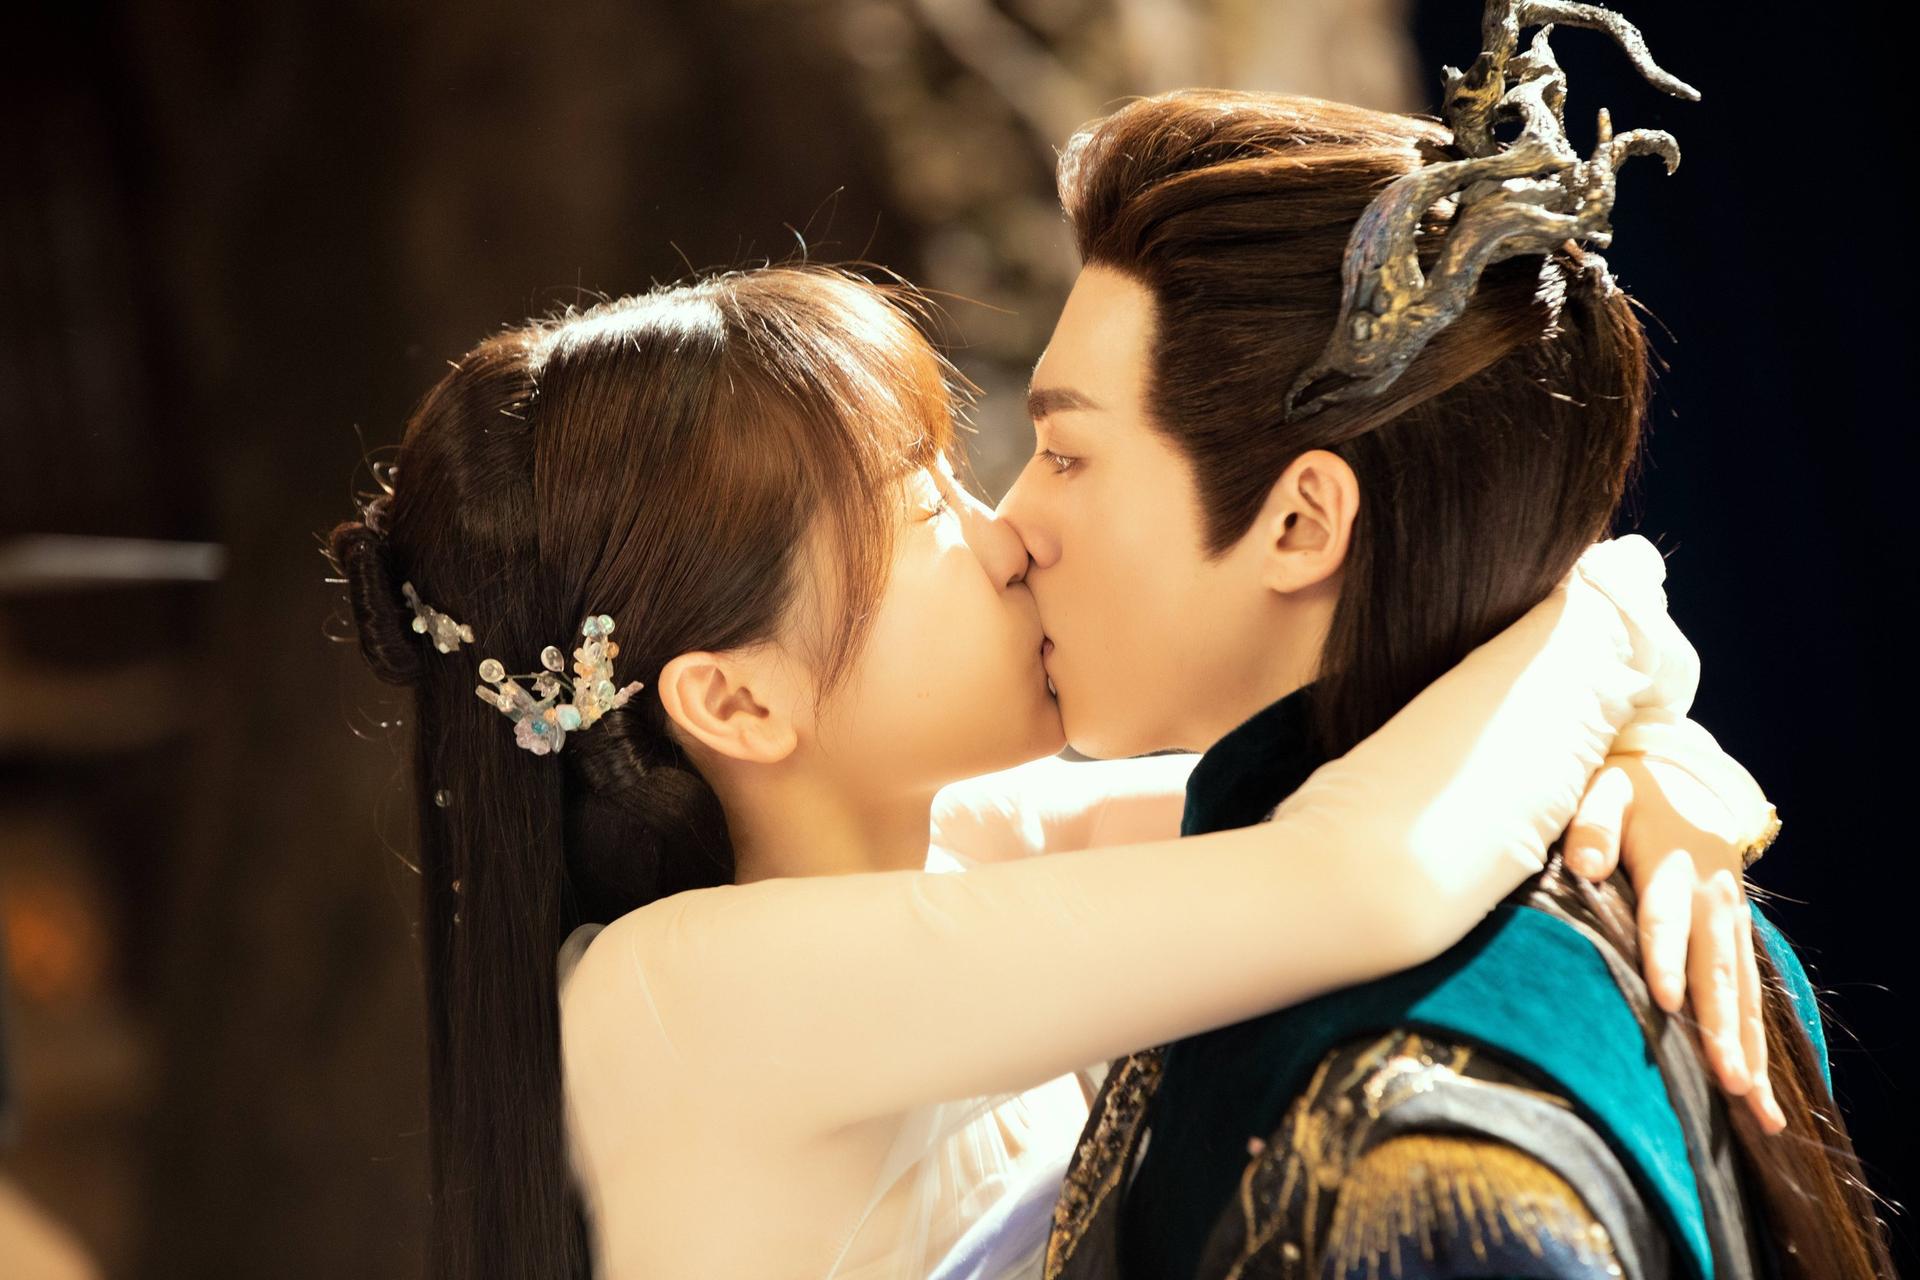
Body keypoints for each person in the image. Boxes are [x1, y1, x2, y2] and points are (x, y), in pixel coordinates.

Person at [326, 260, 1779, 1280]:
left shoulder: (975, 840)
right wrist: (1611, 609)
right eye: (922, 510)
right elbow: (1363, 874)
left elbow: (1380, 774)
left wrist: (1657, 756)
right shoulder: (675, 999)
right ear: (740, 701)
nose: (1009, 532)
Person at [1017, 9, 1892, 1277]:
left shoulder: (1417, 1165)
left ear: (1301, 521)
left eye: (1064, 454)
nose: (1012, 525)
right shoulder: (1274, 908)